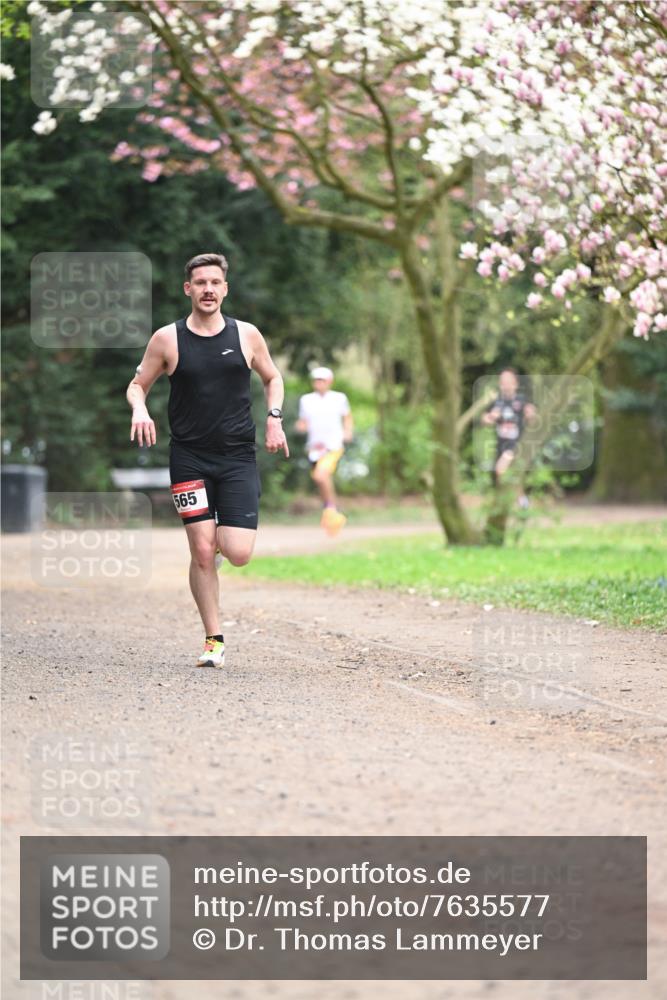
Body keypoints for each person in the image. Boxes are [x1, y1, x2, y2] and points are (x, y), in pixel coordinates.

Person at [127, 252, 289, 668]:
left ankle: (215, 549)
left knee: (236, 553)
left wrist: (274, 420)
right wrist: (139, 408)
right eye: (200, 283)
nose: (208, 290)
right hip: (189, 459)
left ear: (225, 289)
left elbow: (273, 377)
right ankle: (213, 640)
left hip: (237, 458)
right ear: (188, 289)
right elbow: (136, 385)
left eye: (215, 282)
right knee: (202, 550)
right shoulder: (168, 339)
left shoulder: (246, 335)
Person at [296, 367, 353, 536]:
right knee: (321, 478)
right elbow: (303, 422)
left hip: (333, 445)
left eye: (322, 380)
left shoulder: (339, 398)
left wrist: (348, 431)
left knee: (321, 475)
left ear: (329, 381)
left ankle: (331, 509)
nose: (318, 383)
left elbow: (347, 417)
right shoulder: (306, 400)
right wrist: (299, 427)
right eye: (316, 380)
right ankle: (331, 513)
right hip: (314, 447)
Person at [482, 367, 536, 499]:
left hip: (515, 446)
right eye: (503, 380)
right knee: (509, 479)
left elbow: (533, 418)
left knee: (501, 469)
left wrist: (531, 415)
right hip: (500, 445)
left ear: (515, 383)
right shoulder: (496, 402)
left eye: (508, 380)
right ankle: (522, 506)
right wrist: (491, 417)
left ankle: (507, 503)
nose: (505, 383)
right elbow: (484, 419)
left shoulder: (522, 400)